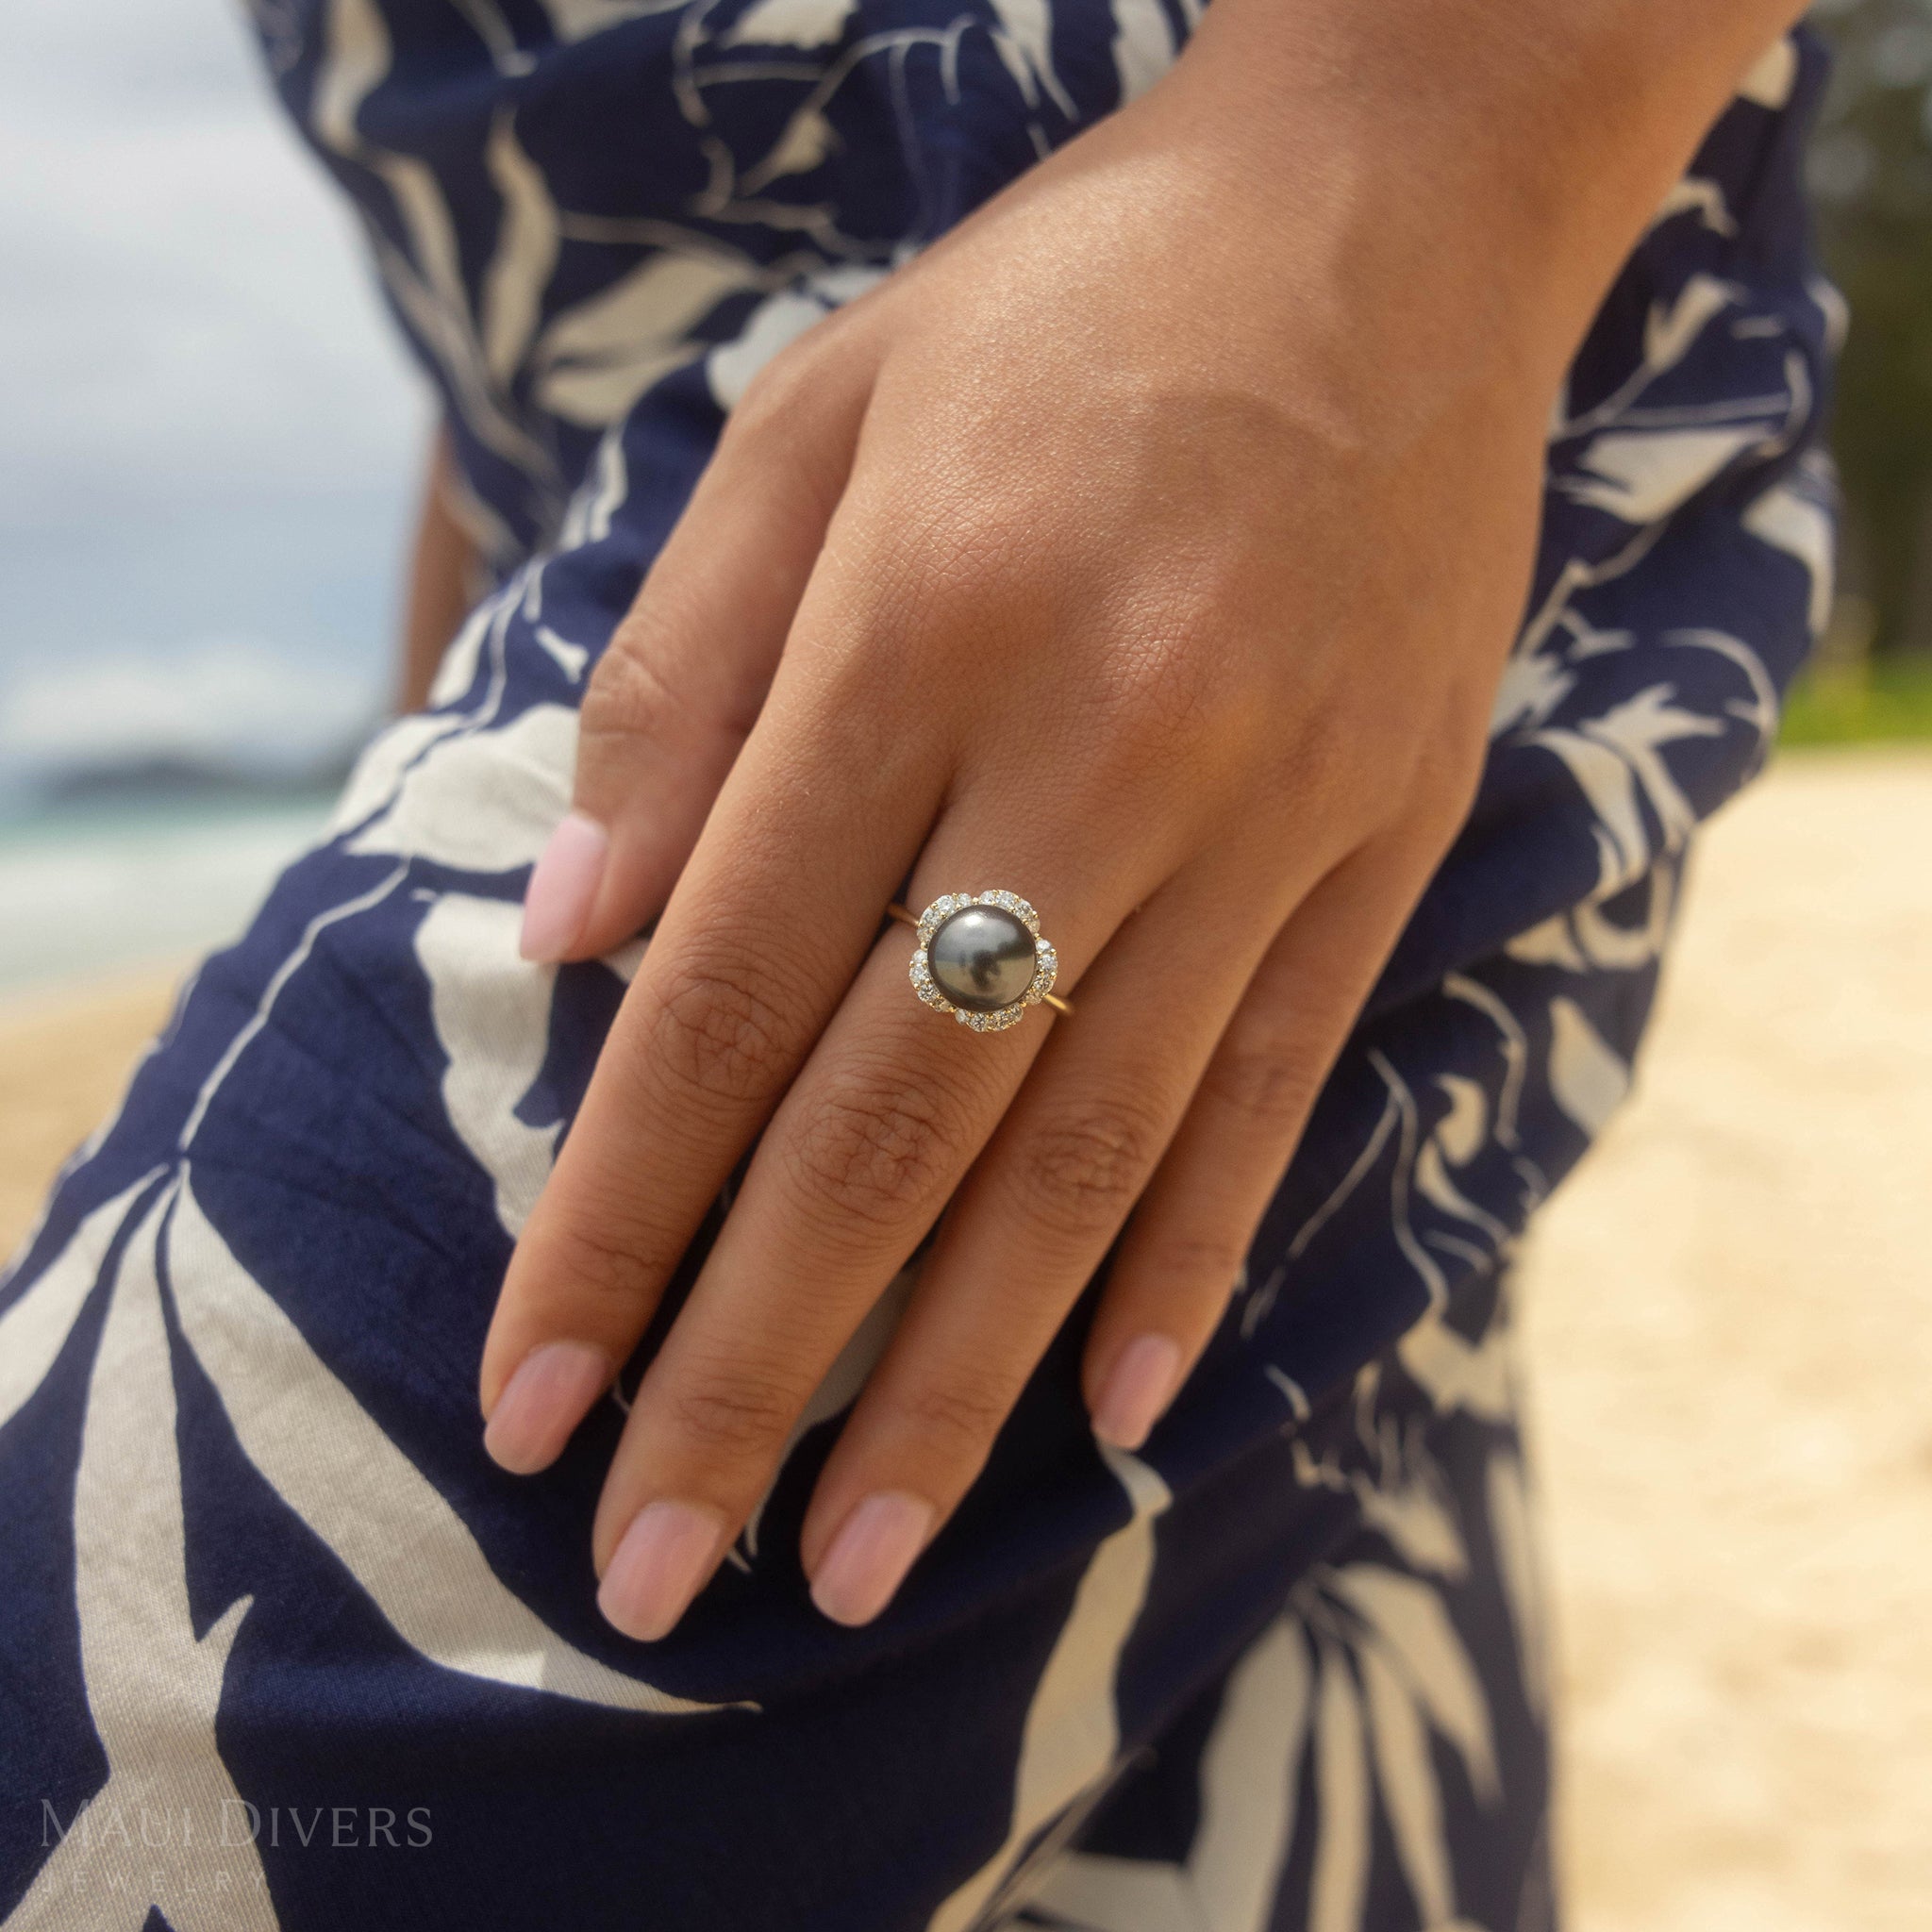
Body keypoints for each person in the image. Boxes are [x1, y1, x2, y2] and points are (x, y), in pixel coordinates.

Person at [0, 2, 1837, 1925]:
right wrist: (430, 738)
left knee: (147, 1783)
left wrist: (1419, 143)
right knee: (1231, 1795)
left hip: (1207, 342)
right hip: (716, 525)